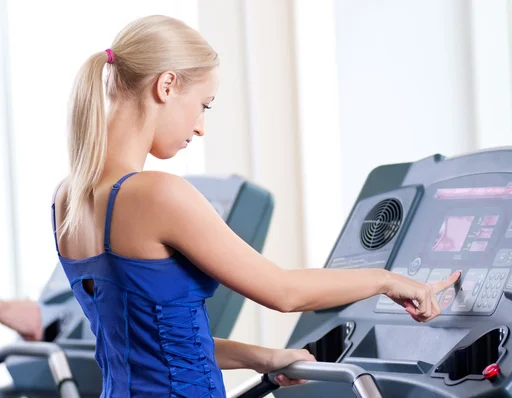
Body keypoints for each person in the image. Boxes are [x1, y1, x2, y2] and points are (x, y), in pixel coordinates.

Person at [50, 15, 460, 397]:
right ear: (167, 85)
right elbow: (285, 292)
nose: (200, 126)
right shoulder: (156, 194)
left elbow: (154, 345)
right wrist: (387, 280)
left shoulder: (67, 198)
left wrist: (264, 358)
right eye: (204, 104)